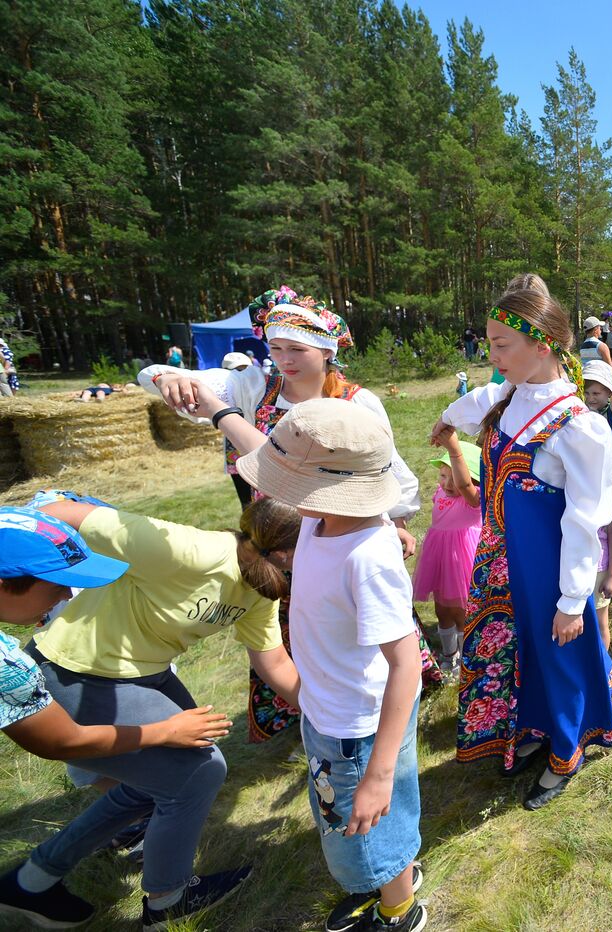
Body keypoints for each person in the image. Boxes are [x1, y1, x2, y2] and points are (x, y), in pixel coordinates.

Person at [140, 290, 422, 742]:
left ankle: (374, 705)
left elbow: (386, 466)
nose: (284, 360)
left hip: (342, 527)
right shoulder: (253, 387)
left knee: (352, 616)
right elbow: (154, 375)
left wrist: (400, 520)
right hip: (279, 533)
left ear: (328, 350)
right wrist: (165, 376)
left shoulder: (357, 401)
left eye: (297, 350)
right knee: (291, 617)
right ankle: (309, 709)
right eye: (275, 349)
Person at [191, 395, 427, 930]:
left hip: (360, 728)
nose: (278, 494)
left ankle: (397, 908)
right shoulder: (318, 523)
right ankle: (383, 879)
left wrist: (380, 773)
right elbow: (265, 454)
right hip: (328, 711)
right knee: (345, 816)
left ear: (329, 488)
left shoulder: (368, 557)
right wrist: (217, 410)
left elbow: (406, 664)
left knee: (368, 823)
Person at [14, 492, 300, 929]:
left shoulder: (264, 584)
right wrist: (20, 550)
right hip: (75, 672)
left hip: (143, 673)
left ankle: (33, 880)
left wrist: (328, 710)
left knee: (162, 780)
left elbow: (273, 661)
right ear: (285, 550)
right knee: (198, 771)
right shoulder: (189, 549)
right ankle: (168, 899)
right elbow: (63, 514)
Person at [433, 286, 612, 811]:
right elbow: (472, 406)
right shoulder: (508, 396)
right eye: (490, 344)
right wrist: (445, 421)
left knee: (557, 654)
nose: (492, 357)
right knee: (521, 649)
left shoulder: (581, 427)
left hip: (550, 567)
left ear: (545, 346)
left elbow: (587, 521)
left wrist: (570, 600)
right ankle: (532, 723)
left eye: (501, 345)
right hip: (501, 558)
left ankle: (567, 751)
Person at [413, 434, 482, 675]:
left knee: (461, 610)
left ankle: (466, 658)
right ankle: (448, 653)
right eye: (444, 476)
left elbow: (465, 487)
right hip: (438, 557)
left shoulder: (473, 499)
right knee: (441, 608)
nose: (447, 484)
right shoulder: (439, 494)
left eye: (454, 478)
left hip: (461, 559)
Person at [580, 360, 612, 648]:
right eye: (589, 392)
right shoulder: (579, 415)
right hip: (578, 564)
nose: (592, 397)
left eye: (599, 392)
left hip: (599, 566)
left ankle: (604, 668)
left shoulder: (611, 415)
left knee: (600, 621)